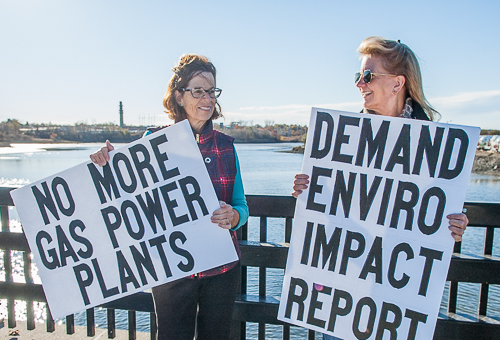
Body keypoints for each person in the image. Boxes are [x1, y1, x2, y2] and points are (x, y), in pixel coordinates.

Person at [292, 37, 468, 340]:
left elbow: (434, 212)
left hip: (397, 295)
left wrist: (454, 223)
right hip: (345, 291)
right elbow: (331, 212)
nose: (360, 84)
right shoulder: (342, 141)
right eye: (358, 76)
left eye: (368, 75)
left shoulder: (434, 146)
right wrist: (308, 191)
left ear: (398, 83)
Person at [90, 54, 249, 340]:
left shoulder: (226, 147)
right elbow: (125, 192)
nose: (207, 98)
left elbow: (241, 206)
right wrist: (105, 162)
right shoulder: (152, 141)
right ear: (178, 96)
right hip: (172, 272)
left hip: (221, 270)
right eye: (198, 90)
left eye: (211, 91)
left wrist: (235, 217)